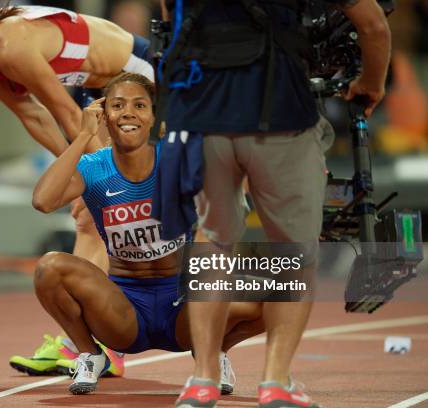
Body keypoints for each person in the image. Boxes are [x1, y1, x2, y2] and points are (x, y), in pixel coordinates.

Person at [152, 1, 391, 407]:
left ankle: (202, 380)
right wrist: (372, 82)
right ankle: (276, 382)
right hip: (279, 109)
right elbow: (374, 26)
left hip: (203, 110)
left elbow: (169, 19)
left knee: (214, 238)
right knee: (294, 249)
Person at [0, 3, 154, 376]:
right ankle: (83, 345)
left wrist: (106, 180)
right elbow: (34, 117)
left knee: (117, 212)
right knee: (88, 218)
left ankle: (120, 341)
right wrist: (79, 181)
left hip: (140, 73)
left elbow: (63, 112)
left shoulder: (13, 46)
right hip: (93, 88)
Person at [31, 72, 265, 395]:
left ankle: (214, 350)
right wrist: (84, 136)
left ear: (153, 116)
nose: (128, 112)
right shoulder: (93, 167)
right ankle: (90, 354)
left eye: (140, 105)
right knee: (48, 268)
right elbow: (42, 200)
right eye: (117, 105)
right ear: (104, 116)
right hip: (124, 309)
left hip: (183, 306)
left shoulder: (176, 161)